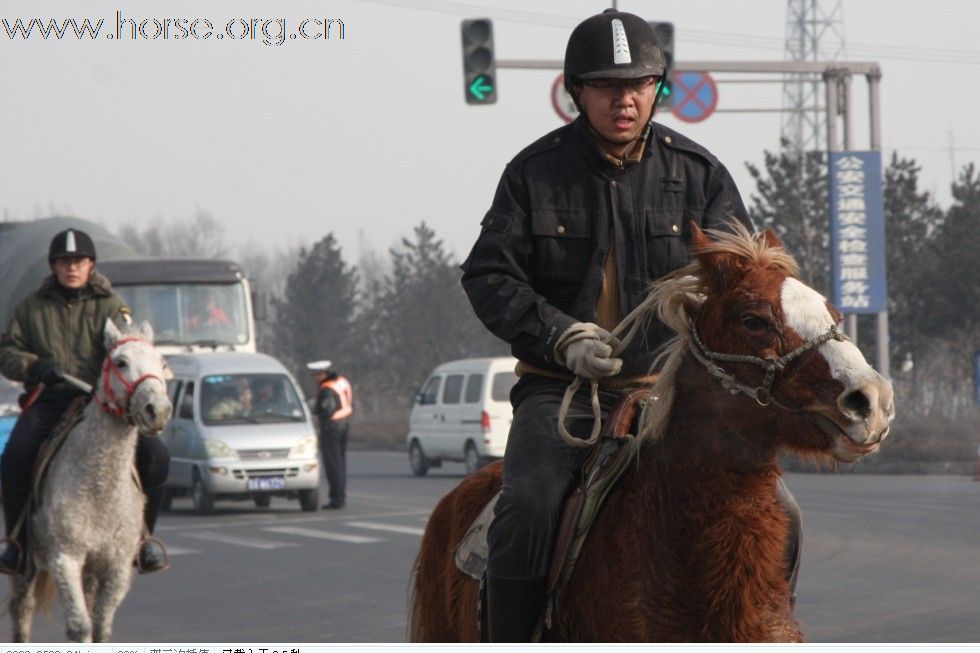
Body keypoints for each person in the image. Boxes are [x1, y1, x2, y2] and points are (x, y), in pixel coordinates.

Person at [460, 9, 802, 642]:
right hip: (559, 394)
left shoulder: (700, 175)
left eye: (639, 84)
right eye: (607, 86)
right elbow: (489, 278)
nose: (625, 99)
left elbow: (744, 283)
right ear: (575, 92)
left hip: (672, 393)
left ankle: (762, 626)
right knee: (529, 508)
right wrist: (560, 334)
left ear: (658, 89)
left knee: (780, 511)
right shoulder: (532, 174)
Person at [0, 228, 171, 575]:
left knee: (156, 457)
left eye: (78, 261)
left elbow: (129, 345)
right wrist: (34, 366)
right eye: (64, 262)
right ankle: (17, 543)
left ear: (91, 264)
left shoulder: (111, 306)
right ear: (54, 266)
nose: (72, 268)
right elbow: (6, 352)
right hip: (50, 400)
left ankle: (144, 541)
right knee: (15, 456)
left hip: (103, 405)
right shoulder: (31, 309)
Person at [308, 360, 353, 509]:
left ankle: (337, 499)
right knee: (340, 463)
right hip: (345, 424)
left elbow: (327, 410)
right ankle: (340, 496)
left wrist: (315, 409)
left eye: (317, 375)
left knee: (333, 465)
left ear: (324, 374)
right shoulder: (342, 381)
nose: (315, 378)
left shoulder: (326, 389)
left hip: (331, 428)